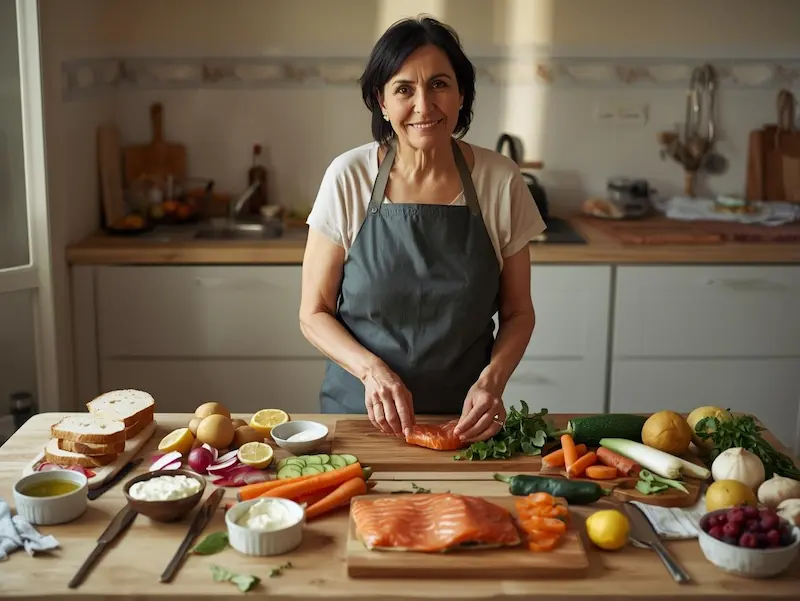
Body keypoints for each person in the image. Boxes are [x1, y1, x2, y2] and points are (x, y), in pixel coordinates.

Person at [299, 16, 546, 444]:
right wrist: (372, 372)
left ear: (462, 93)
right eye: (404, 89)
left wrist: (492, 382)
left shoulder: (500, 180)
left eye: (439, 84)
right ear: (381, 101)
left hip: (464, 423)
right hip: (360, 418)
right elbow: (313, 312)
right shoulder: (349, 176)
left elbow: (518, 313)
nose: (424, 105)